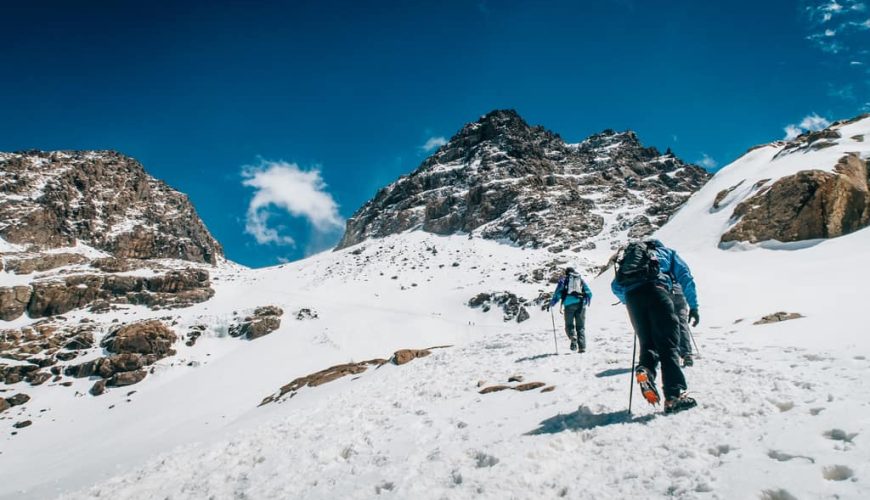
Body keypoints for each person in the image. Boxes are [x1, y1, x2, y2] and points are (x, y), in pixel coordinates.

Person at [611, 240, 699, 414]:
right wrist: (693, 306)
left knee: (648, 343)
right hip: (657, 291)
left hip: (633, 299)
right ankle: (674, 397)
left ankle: (646, 370)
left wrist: (629, 300)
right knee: (668, 344)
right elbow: (685, 277)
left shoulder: (629, 259)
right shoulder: (667, 253)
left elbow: (615, 286)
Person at [546, 267, 592, 352]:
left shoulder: (564, 280)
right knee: (581, 327)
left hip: (568, 305)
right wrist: (586, 302)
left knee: (569, 325)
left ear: (566, 273)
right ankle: (582, 348)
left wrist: (552, 303)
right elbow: (589, 293)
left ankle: (572, 336)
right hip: (581, 305)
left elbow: (558, 294)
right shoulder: (580, 280)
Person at [671, 281, 694, 367]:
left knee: (663, 324)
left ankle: (663, 352)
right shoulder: (680, 267)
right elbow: (687, 280)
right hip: (679, 295)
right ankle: (686, 353)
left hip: (663, 293)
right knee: (682, 324)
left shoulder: (659, 267)